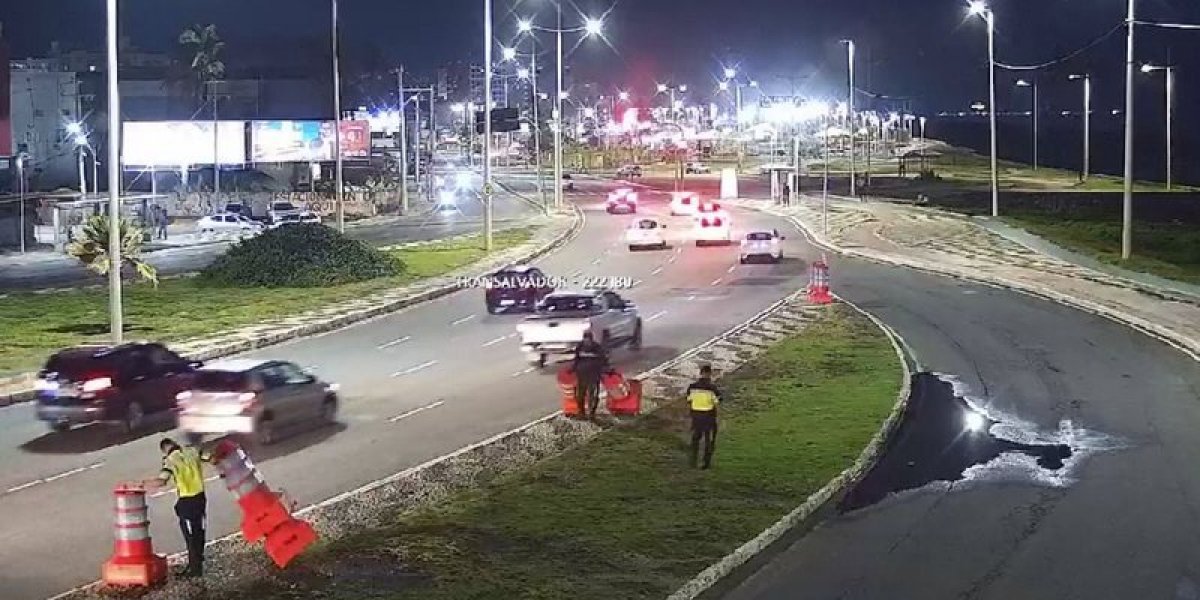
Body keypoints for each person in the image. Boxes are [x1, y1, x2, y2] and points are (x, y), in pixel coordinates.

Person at [143, 438, 212, 577]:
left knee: (190, 536)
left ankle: (195, 569)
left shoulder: (170, 460)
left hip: (187, 501)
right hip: (200, 498)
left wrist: (144, 483)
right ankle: (197, 559)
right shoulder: (192, 451)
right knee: (199, 530)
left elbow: (162, 481)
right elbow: (211, 457)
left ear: (164, 450)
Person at [686, 365, 723, 469]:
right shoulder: (712, 388)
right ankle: (705, 463)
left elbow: (688, 400)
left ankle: (693, 461)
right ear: (709, 374)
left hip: (696, 416)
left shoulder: (692, 387)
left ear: (700, 373)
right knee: (708, 439)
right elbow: (718, 400)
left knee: (696, 438)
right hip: (708, 416)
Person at [572, 330, 609, 419]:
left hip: (594, 375)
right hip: (581, 375)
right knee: (580, 395)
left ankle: (592, 413)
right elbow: (576, 359)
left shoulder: (597, 348)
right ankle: (581, 412)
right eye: (585, 339)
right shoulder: (580, 346)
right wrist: (573, 369)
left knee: (593, 395)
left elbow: (603, 360)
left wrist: (605, 370)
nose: (587, 341)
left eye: (588, 339)